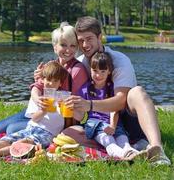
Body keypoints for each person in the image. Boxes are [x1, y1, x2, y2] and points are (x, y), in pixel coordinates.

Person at [62, 16, 170, 165]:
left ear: (100, 37)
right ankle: (129, 148)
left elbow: (121, 101)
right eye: (80, 40)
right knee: (69, 133)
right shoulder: (80, 64)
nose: (85, 45)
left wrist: (90, 104)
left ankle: (157, 150)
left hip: (128, 121)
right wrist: (41, 78)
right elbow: (59, 76)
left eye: (89, 38)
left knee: (137, 92)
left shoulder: (120, 60)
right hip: (100, 123)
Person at [0, 22, 88, 135]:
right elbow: (37, 86)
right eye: (63, 45)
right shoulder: (51, 64)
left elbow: (77, 108)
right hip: (42, 110)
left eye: (73, 46)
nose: (68, 50)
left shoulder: (77, 70)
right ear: (55, 47)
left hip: (60, 119)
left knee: (11, 129)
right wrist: (37, 98)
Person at [0, 61, 69, 158]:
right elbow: (34, 119)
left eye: (55, 81)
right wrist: (43, 111)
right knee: (9, 139)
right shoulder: (39, 97)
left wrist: (63, 106)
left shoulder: (63, 97)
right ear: (43, 79)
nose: (51, 83)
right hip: (31, 127)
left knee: (25, 142)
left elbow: (69, 117)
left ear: (60, 83)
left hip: (48, 134)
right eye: (48, 80)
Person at [78, 51, 140, 159]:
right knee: (107, 138)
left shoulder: (112, 87)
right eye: (95, 70)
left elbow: (114, 109)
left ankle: (128, 149)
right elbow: (81, 113)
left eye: (103, 71)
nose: (98, 75)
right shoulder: (85, 89)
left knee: (121, 135)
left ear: (109, 71)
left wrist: (113, 126)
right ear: (90, 70)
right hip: (94, 123)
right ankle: (118, 152)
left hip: (112, 121)